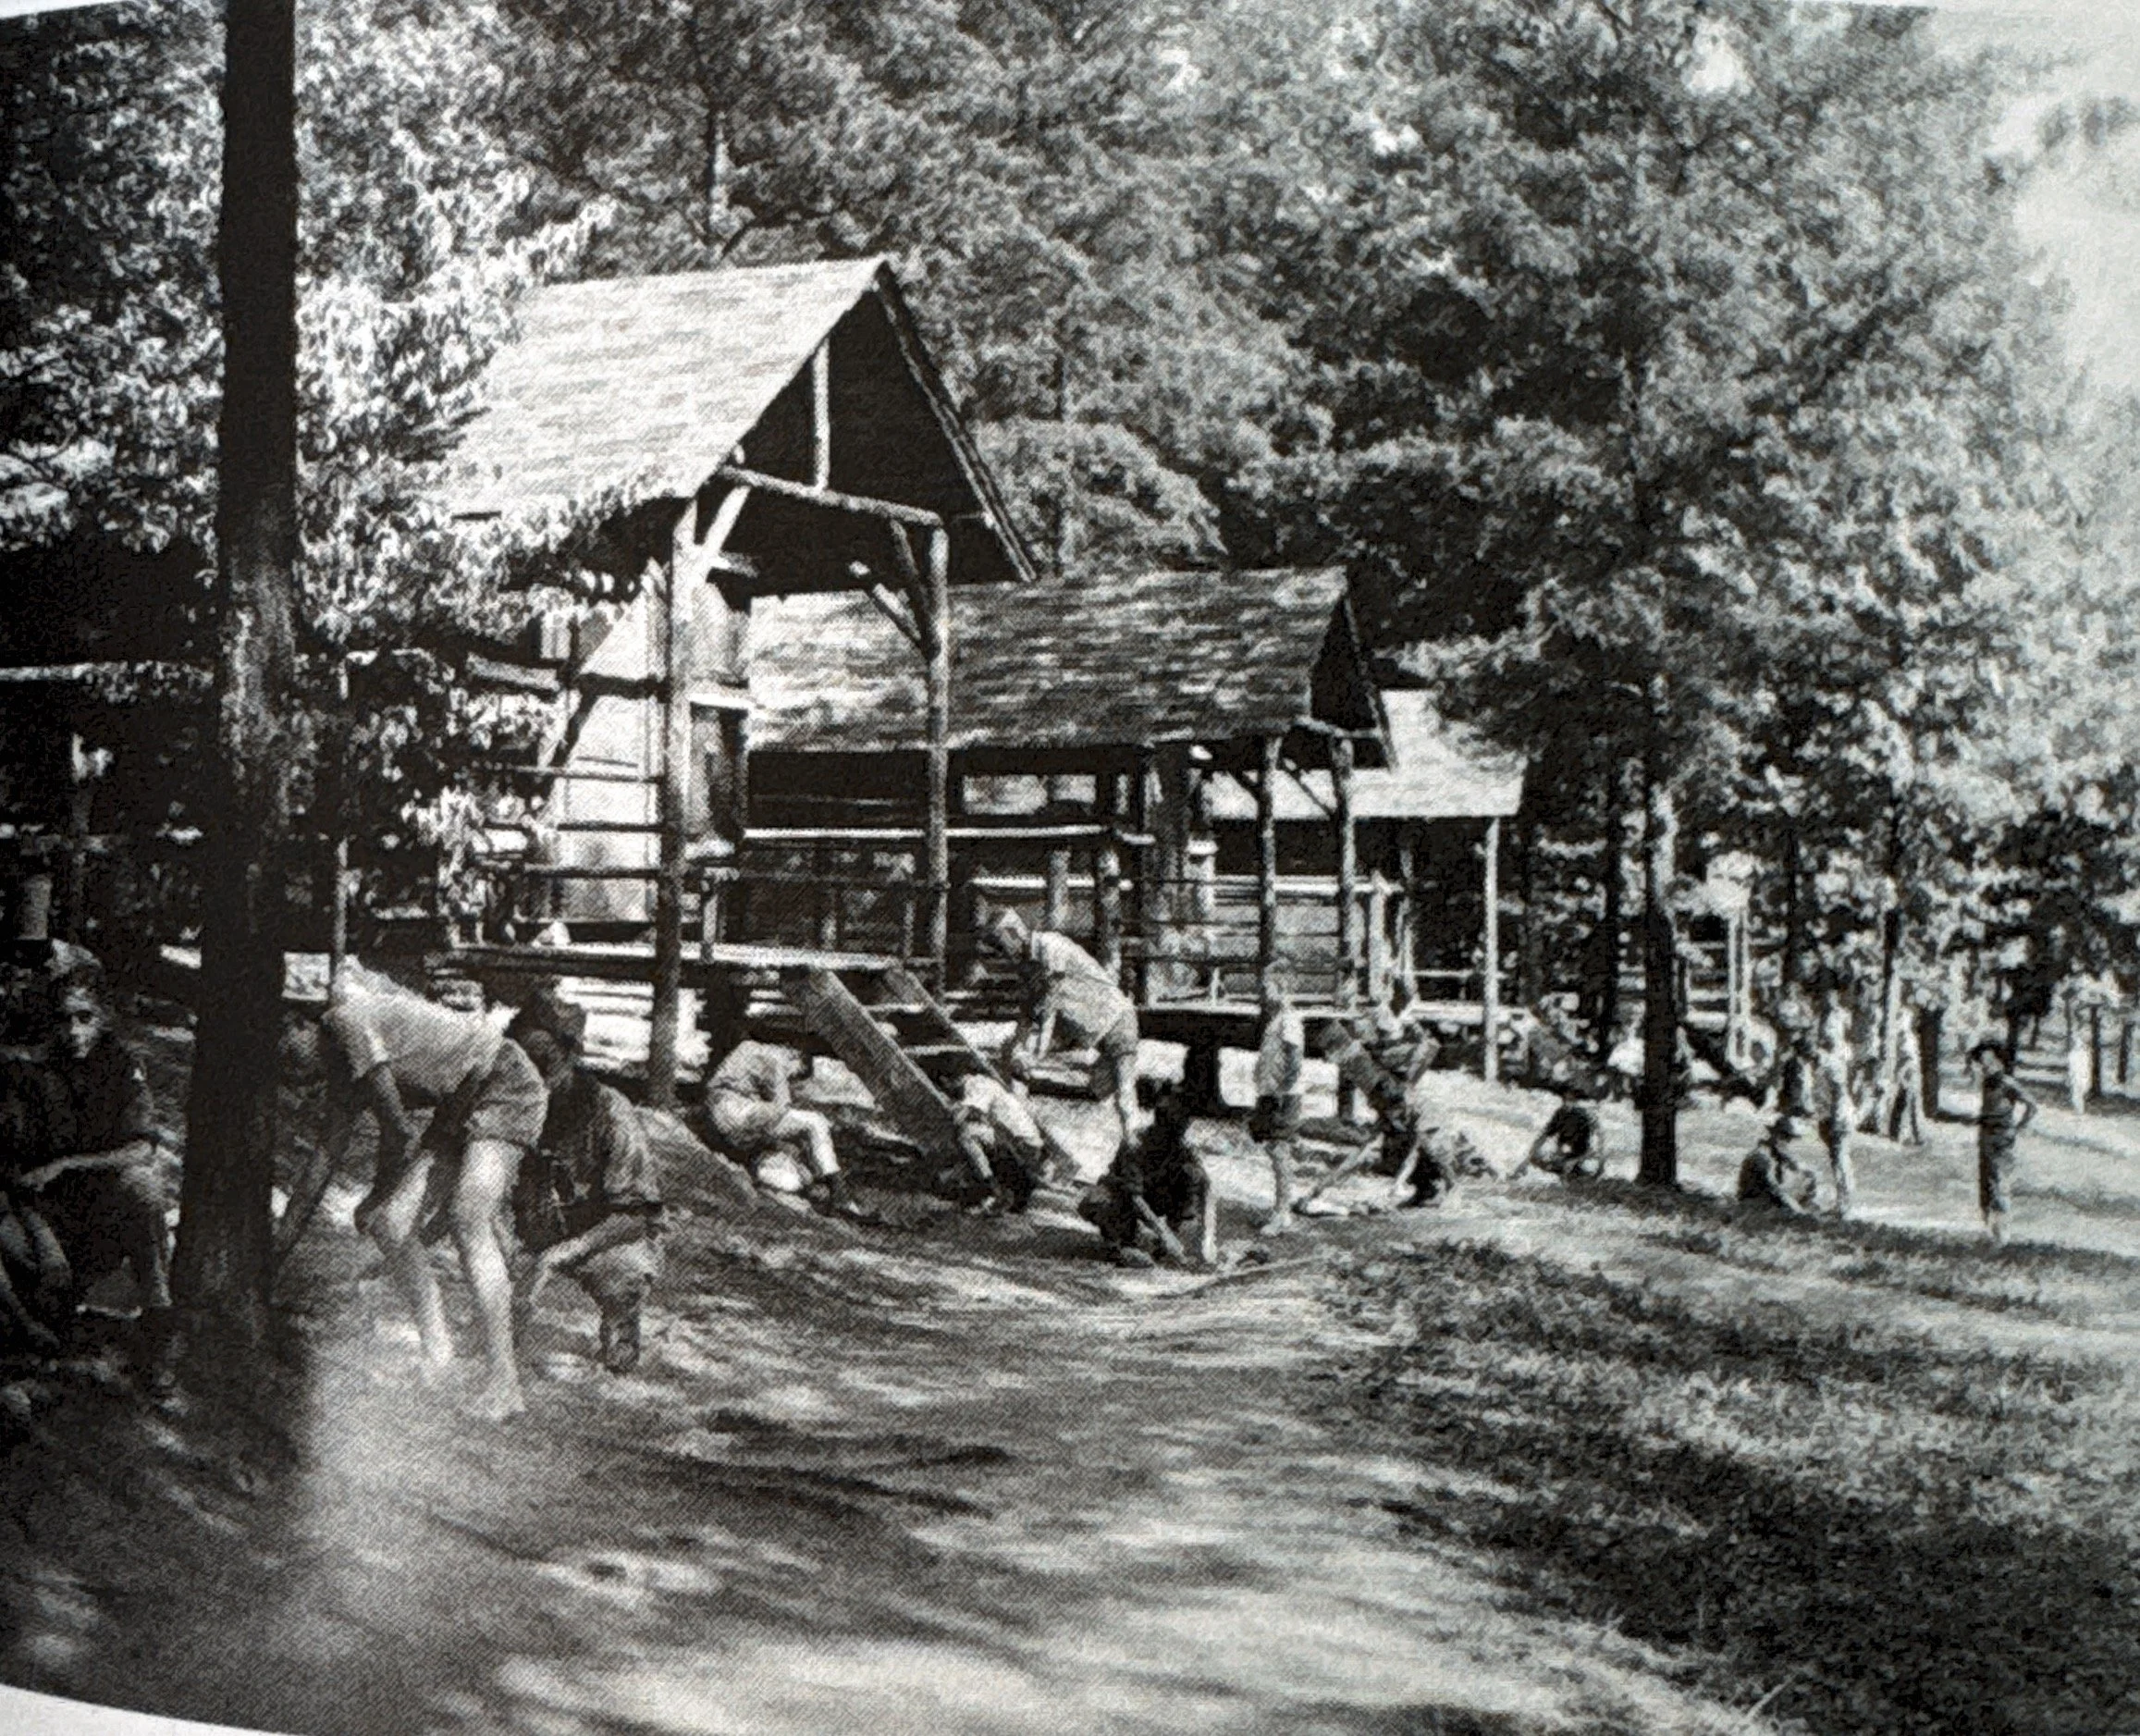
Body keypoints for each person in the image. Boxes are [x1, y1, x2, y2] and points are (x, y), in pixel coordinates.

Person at [299, 962, 547, 1421]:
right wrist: (276, 1254)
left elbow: (396, 1131)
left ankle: (505, 1382)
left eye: (285, 1054)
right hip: (459, 1103)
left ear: (299, 1024)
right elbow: (322, 1163)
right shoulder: (340, 1074)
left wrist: (377, 1191)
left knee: (468, 1217)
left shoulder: (346, 1022)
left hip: (504, 1081)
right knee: (391, 1226)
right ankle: (439, 1355)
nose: (290, 1072)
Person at [504, 990, 663, 1375]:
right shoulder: (510, 1103)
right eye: (524, 1062)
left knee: (624, 1270)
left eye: (546, 1063)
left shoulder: (610, 1111)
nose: (535, 1078)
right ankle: (499, 1334)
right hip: (534, 1228)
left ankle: (621, 1334)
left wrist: (561, 1253)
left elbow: (636, 1216)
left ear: (571, 1055)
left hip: (598, 1236)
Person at [16, 964, 173, 1319]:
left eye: (85, 1018)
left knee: (144, 1187)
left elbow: (142, 1149)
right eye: (64, 1019)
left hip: (103, 1203)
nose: (74, 1031)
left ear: (103, 1018)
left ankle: (158, 1307)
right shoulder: (36, 1070)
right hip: (48, 1208)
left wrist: (68, 1164)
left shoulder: (121, 1066)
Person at [981, 909, 1141, 1151]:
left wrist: (1035, 1054)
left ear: (1013, 932)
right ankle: (1025, 1134)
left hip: (1117, 1019)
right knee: (1101, 1092)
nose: (1001, 953)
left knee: (1125, 1096)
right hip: (1094, 1033)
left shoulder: (1050, 946)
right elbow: (1028, 1010)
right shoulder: (1026, 966)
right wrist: (1016, 1045)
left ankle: (1135, 1147)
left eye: (1000, 944)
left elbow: (1049, 1004)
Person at [703, 1038, 851, 1213]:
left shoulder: (748, 1046)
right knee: (815, 1121)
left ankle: (808, 1185)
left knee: (789, 1169)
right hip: (737, 1114)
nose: (790, 1080)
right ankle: (839, 1191)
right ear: (797, 1058)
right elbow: (782, 1106)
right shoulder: (778, 1058)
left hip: (718, 1113)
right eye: (794, 1075)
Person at [1078, 1084, 1215, 1269]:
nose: (1183, 1125)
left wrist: (1206, 1241)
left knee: (1191, 1176)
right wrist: (1165, 1235)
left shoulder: (1183, 1151)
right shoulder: (1136, 1144)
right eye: (1174, 1118)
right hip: (1125, 1199)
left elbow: (1206, 1188)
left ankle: (1159, 1247)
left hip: (1155, 1197)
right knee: (1098, 1201)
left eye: (1184, 1119)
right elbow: (1134, 1197)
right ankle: (1123, 1242)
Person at [1250, 976, 1305, 1236]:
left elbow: (1295, 1058)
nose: (1262, 994)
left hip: (1283, 1095)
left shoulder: (1289, 1019)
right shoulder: (1276, 1019)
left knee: (1280, 1150)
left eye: (1267, 989)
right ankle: (1279, 1207)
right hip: (1271, 1092)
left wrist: (1283, 1090)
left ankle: (1283, 1212)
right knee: (1273, 1148)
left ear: (1282, 990)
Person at [951, 1071, 1050, 1212]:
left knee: (965, 1134)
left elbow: (960, 1117)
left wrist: (955, 1107)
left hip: (1022, 1143)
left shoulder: (976, 1084)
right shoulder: (989, 1083)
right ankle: (1002, 1185)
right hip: (1026, 1140)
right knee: (977, 1132)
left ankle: (991, 1189)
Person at [1971, 1040, 2036, 1249]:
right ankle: (1988, 1232)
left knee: (1999, 1182)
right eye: (1982, 1063)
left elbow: (2031, 1105)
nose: (1986, 1067)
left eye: (1990, 1062)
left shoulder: (2008, 1083)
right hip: (1986, 1136)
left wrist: (2019, 1127)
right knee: (1985, 1184)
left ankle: (2002, 1235)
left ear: (2000, 1062)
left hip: (2002, 1137)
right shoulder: (1986, 1083)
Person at [1812, 1001, 1858, 1218]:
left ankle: (1845, 1203)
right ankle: (1842, 1200)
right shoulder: (1834, 1055)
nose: (1826, 1033)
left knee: (1840, 1157)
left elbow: (1839, 1089)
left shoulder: (1836, 1058)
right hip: (1831, 1111)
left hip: (1838, 1114)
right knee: (1837, 1158)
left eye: (1831, 1029)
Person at [1528, 1069, 1607, 1183]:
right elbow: (1546, 1134)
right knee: (1541, 1159)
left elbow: (1598, 1136)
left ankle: (1577, 1177)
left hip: (1583, 1155)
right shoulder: (1561, 1114)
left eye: (1572, 1098)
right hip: (1563, 1154)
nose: (1568, 1101)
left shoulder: (1584, 1115)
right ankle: (1570, 1175)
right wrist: (1533, 1151)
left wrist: (1599, 1160)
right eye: (1566, 1097)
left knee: (1572, 1167)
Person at [1737, 1115, 1822, 1215]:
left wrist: (1807, 1180)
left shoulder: (1780, 1156)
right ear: (1774, 1135)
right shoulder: (1761, 1157)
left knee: (1808, 1177)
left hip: (1772, 1204)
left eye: (1789, 1138)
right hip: (1754, 1206)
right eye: (1783, 1137)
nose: (1786, 1141)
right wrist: (1798, 1211)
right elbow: (1774, 1189)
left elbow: (1799, 1175)